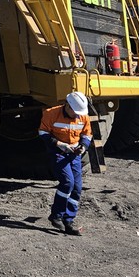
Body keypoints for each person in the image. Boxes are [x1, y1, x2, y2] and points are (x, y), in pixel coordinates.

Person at [39, 91, 93, 236]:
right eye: (75, 112)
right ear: (67, 106)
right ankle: (56, 216)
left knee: (77, 187)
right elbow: (43, 133)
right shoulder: (51, 114)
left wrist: (83, 146)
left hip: (74, 154)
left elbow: (87, 134)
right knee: (67, 182)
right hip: (58, 153)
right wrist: (59, 144)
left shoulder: (82, 115)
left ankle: (68, 221)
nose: (77, 116)